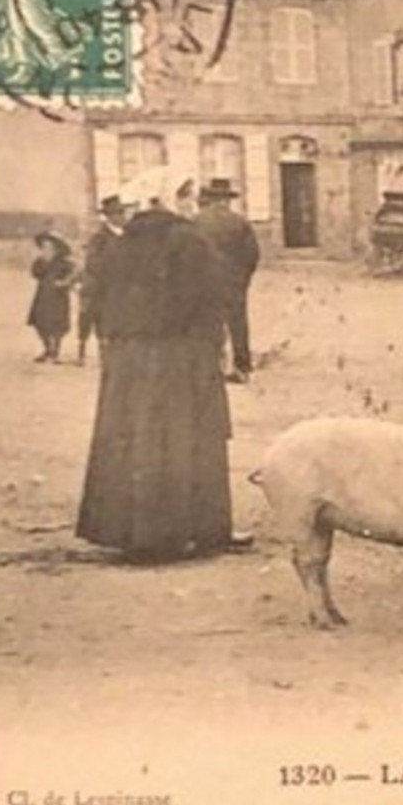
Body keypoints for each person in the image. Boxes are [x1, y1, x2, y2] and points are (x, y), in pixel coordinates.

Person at [77, 170, 244, 563]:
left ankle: (131, 532)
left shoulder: (119, 245)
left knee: (134, 438)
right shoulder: (190, 241)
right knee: (188, 437)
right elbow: (210, 297)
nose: (191, 203)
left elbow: (100, 298)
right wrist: (213, 346)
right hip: (182, 357)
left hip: (130, 361)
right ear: (170, 200)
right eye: (186, 196)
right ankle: (198, 531)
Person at [193, 178, 260, 384]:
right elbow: (253, 254)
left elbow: (190, 253)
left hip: (205, 281)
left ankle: (212, 367)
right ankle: (242, 368)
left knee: (209, 323)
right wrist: (243, 278)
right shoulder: (240, 222)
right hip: (234, 282)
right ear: (226, 200)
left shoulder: (196, 222)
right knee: (238, 324)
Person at [76, 195, 125, 366]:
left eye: (122, 212)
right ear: (110, 216)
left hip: (118, 288)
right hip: (101, 289)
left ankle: (113, 356)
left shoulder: (125, 236)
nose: (122, 217)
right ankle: (98, 356)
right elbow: (93, 263)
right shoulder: (100, 238)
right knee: (99, 322)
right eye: (118, 213)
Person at [27, 230, 75, 363]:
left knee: (57, 324)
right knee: (40, 322)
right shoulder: (40, 262)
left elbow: (72, 276)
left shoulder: (64, 263)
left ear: (57, 249)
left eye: (49, 247)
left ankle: (55, 351)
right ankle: (47, 348)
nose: (46, 250)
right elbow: (35, 273)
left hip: (58, 297)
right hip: (43, 295)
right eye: (43, 247)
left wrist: (64, 282)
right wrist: (42, 260)